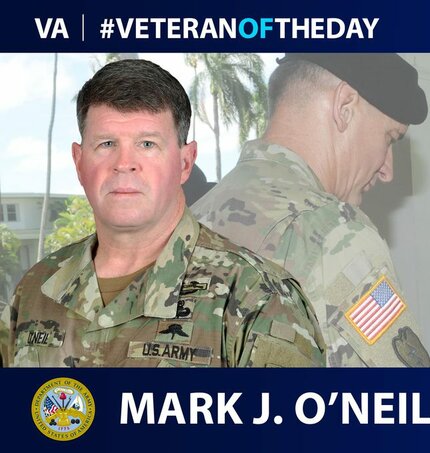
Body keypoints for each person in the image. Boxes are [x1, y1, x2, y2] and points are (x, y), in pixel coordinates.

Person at [192, 53, 430, 367]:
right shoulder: (333, 234)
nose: (388, 170)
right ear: (345, 106)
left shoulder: (192, 217)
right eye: (390, 138)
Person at [0, 59, 325, 368]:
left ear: (185, 162)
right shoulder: (36, 289)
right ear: (79, 161)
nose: (124, 163)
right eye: (106, 144)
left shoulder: (258, 298)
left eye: (147, 144)